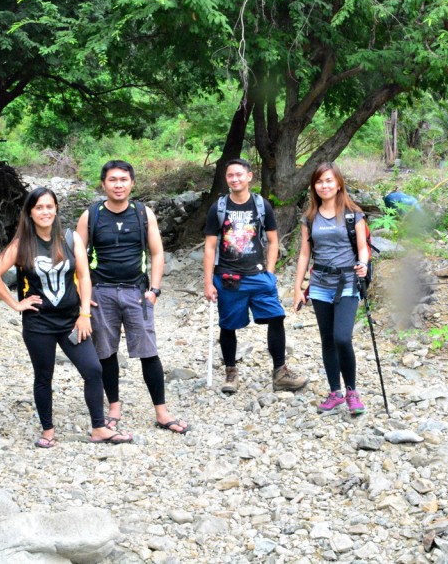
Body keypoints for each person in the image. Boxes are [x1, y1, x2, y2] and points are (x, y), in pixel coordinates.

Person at [0, 187, 132, 445]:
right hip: (38, 323)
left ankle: (99, 427)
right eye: (39, 207)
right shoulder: (22, 244)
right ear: (30, 212)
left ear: (56, 210)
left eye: (49, 207)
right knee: (44, 376)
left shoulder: (70, 238)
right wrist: (15, 304)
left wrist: (85, 313)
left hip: (71, 321)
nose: (45, 212)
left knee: (93, 370)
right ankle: (48, 432)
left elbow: (85, 276)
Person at [76, 161, 188, 434]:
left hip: (137, 292)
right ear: (103, 184)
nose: (118, 185)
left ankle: (161, 412)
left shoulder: (142, 213)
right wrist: (82, 296)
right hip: (101, 292)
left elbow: (157, 253)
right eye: (112, 180)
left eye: (123, 180)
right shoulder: (91, 215)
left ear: (132, 183)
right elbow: (76, 258)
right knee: (106, 353)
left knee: (149, 352)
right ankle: (113, 408)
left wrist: (155, 290)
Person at [203, 158, 307, 394]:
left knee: (276, 317)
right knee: (228, 325)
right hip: (228, 277)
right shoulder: (218, 208)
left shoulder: (261, 206)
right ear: (226, 178)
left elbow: (273, 241)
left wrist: (270, 272)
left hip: (258, 276)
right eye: (230, 175)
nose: (235, 179)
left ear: (249, 176)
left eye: (239, 174)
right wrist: (208, 282)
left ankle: (280, 373)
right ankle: (231, 372)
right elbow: (210, 246)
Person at [292, 163, 369, 416]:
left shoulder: (352, 214)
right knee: (327, 340)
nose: (324, 186)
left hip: (347, 281)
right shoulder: (309, 218)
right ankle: (335, 392)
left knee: (342, 338)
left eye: (328, 181)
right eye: (319, 182)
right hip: (320, 285)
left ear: (338, 184)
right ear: (314, 186)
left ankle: (352, 392)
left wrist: (364, 265)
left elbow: (363, 248)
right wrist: (297, 288)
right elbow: (305, 255)